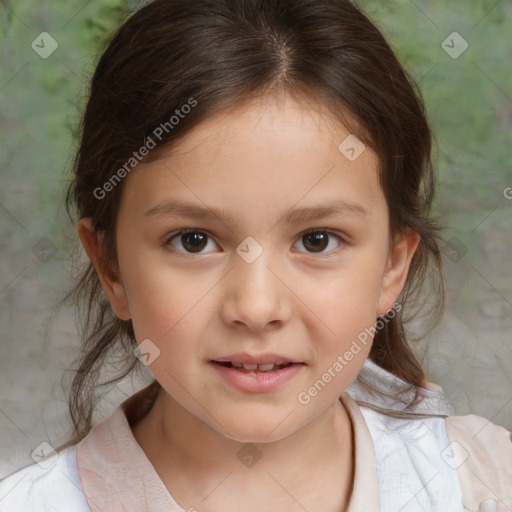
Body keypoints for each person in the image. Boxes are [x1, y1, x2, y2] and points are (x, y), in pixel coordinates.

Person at [0, 0, 510, 511]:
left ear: (393, 266)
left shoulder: (481, 484)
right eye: (193, 240)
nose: (257, 307)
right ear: (110, 267)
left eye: (317, 240)